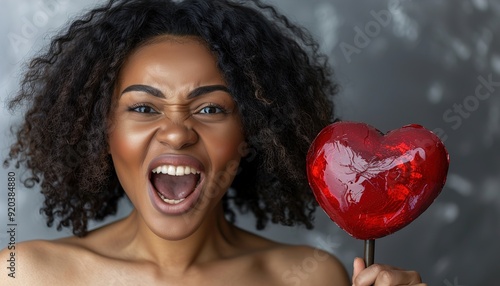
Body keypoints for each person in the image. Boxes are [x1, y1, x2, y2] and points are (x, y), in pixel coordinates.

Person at [1, 0, 425, 285]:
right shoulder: (25, 275)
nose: (176, 132)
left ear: (250, 133)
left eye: (210, 109)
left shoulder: (310, 278)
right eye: (145, 108)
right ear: (101, 131)